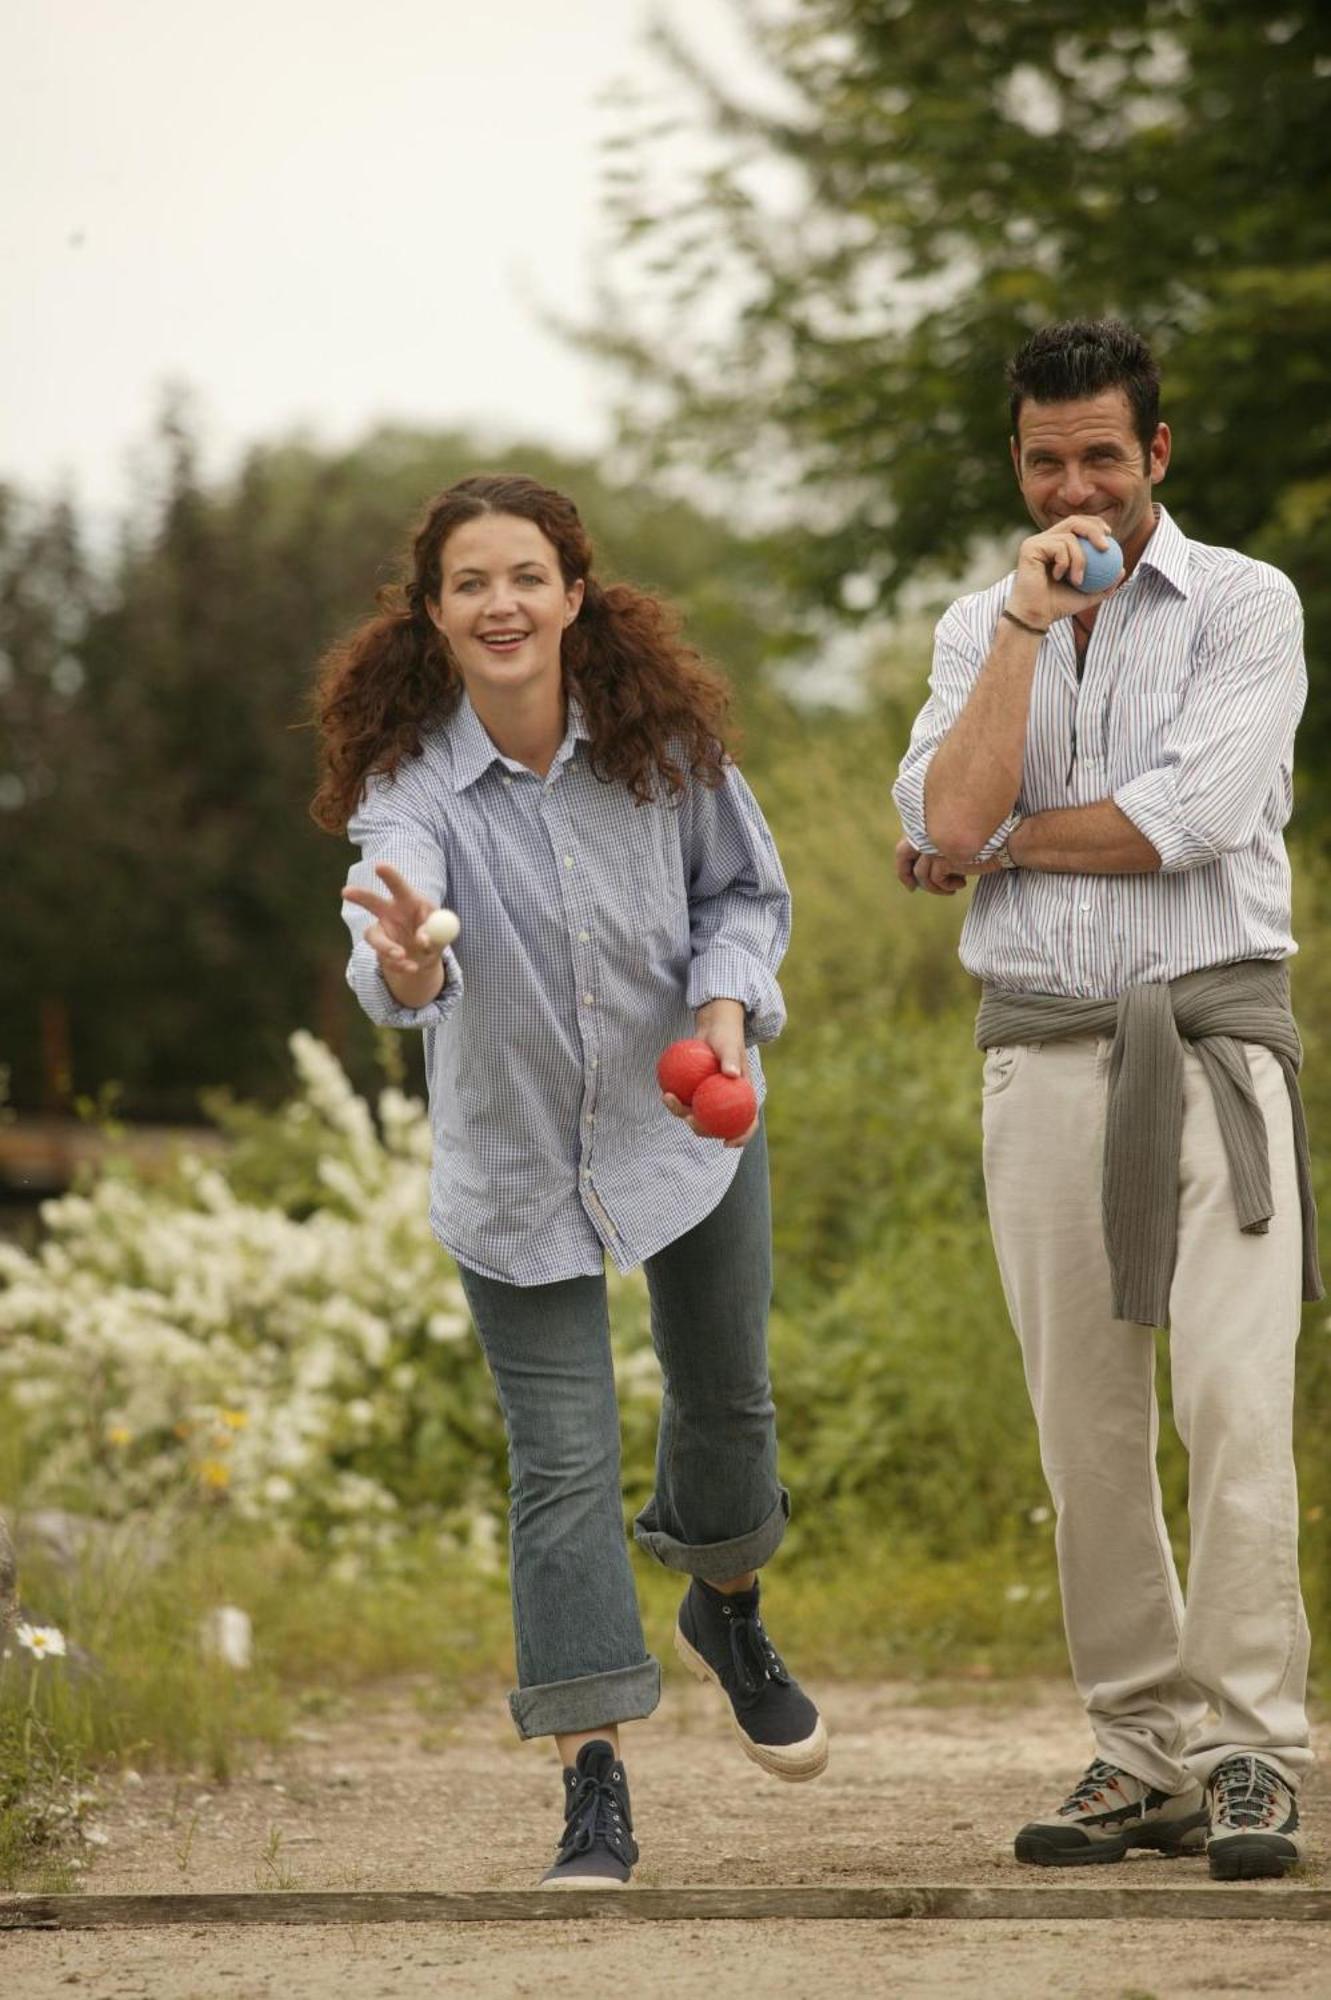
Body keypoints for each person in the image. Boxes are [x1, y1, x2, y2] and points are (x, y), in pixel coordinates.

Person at [312, 472, 826, 1890]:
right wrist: (408, 962)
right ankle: (593, 1780)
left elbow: (746, 894)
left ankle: (727, 1606)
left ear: (575, 591)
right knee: (561, 1467)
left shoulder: (663, 743)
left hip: (689, 1130)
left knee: (728, 1400)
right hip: (516, 1164)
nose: (501, 604)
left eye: (526, 576)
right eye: (470, 582)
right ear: (433, 612)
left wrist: (724, 1011)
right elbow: (393, 927)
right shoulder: (410, 783)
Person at [892, 319, 1320, 1883]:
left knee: (1230, 1400)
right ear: (1019, 462)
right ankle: (1140, 1755)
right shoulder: (975, 625)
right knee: (1086, 1430)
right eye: (1044, 457)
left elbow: (1189, 819)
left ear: (1158, 454)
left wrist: (988, 848)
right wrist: (1018, 631)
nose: (1074, 484)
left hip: (1213, 1050)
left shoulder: (1246, 605)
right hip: (1043, 1051)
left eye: (1101, 454)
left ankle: (1251, 1754)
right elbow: (941, 803)